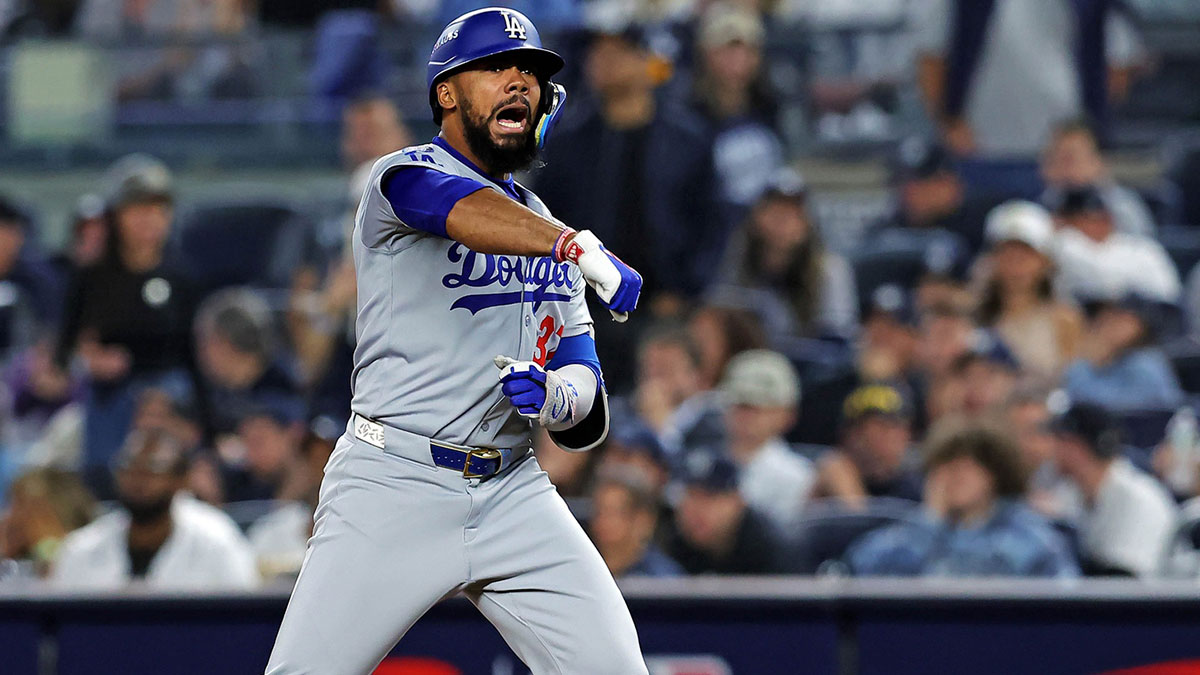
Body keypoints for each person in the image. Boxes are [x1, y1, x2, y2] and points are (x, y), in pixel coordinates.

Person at [266, 10, 647, 675]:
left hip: (513, 490)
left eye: (529, 72)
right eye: (497, 68)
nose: (519, 82)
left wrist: (558, 396)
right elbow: (456, 208)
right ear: (446, 92)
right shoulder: (397, 178)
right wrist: (573, 245)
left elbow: (587, 406)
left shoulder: (543, 228)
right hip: (394, 480)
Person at [54, 156, 205, 489]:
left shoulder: (181, 276)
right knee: (101, 466)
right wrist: (89, 360)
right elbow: (65, 347)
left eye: (158, 211)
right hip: (108, 392)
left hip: (169, 389)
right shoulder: (91, 275)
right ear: (117, 216)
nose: (149, 222)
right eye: (138, 210)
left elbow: (192, 354)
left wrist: (201, 423)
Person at [912, 0, 1144, 157]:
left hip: (1063, 152)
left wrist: (1088, 129)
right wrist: (948, 124)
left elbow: (1117, 61)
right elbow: (931, 57)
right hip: (980, 148)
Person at [848, 422, 1078, 577]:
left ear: (993, 475)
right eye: (946, 466)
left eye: (967, 467)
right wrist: (931, 521)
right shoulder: (920, 527)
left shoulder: (1026, 532)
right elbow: (861, 566)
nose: (955, 476)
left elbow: (1065, 593)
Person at [52, 428, 259, 590]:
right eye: (128, 467)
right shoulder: (82, 548)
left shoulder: (218, 542)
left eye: (152, 469)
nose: (137, 479)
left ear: (182, 479)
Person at [714, 169, 858, 339]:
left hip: (808, 361)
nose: (782, 222)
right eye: (775, 210)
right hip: (747, 358)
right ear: (757, 216)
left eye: (792, 214)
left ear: (807, 223)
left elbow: (838, 338)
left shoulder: (830, 270)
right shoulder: (735, 259)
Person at [1050, 402, 1177, 576]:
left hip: (1154, 599)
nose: (1050, 450)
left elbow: (1125, 582)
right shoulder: (1071, 491)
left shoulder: (1139, 499)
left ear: (1075, 448)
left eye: (1058, 441)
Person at [688, 5, 784, 223]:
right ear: (706, 54)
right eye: (728, 50)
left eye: (748, 50)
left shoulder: (771, 108)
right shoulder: (687, 116)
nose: (738, 60)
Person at [976, 200, 1083, 381]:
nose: (1016, 267)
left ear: (1045, 262)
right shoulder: (973, 316)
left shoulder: (1064, 319)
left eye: (1026, 257)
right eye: (1007, 255)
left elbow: (1072, 381)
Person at [719, 349, 815, 529]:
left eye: (758, 407)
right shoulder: (702, 458)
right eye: (740, 405)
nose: (746, 415)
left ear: (787, 414)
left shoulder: (796, 475)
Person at [194, 287, 302, 436]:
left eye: (207, 343)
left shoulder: (281, 386)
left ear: (224, 344)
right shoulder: (210, 387)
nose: (203, 352)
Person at [1052, 185, 1180, 304]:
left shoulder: (1142, 250)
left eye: (1097, 218)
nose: (1092, 225)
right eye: (1078, 220)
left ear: (1109, 218)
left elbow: (1169, 296)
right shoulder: (1057, 249)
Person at [1063, 294, 1184, 413]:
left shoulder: (1145, 363)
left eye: (1123, 320)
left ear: (1140, 326)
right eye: (1110, 317)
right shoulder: (1112, 359)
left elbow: (1106, 405)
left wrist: (1084, 361)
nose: (1111, 325)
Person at [666, 452, 781, 575]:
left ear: (738, 501)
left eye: (709, 497)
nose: (696, 508)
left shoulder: (769, 547)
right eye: (690, 495)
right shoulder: (671, 540)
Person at [1040, 118, 1156, 237]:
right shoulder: (1038, 208)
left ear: (1097, 162)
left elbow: (1144, 249)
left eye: (1072, 159)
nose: (1065, 169)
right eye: (1057, 158)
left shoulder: (1123, 207)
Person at [816, 382, 924, 506]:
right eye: (882, 426)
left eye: (898, 426)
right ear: (851, 435)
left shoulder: (916, 482)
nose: (892, 436)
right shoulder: (833, 471)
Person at [588, 466, 683, 578]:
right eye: (599, 511)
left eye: (614, 513)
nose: (603, 521)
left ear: (642, 519)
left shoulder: (664, 579)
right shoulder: (580, 567)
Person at [1, 468, 95, 578]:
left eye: (21, 504)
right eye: (12, 504)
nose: (11, 516)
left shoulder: (89, 551)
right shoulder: (15, 562)